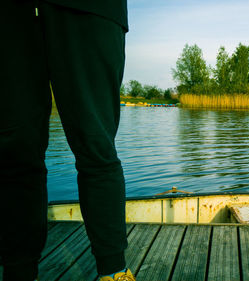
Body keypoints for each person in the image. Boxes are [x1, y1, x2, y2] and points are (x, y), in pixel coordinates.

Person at [0, 0, 134, 280]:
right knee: (16, 150)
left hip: (91, 8)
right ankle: (18, 272)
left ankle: (114, 272)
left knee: (96, 144)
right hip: (10, 13)